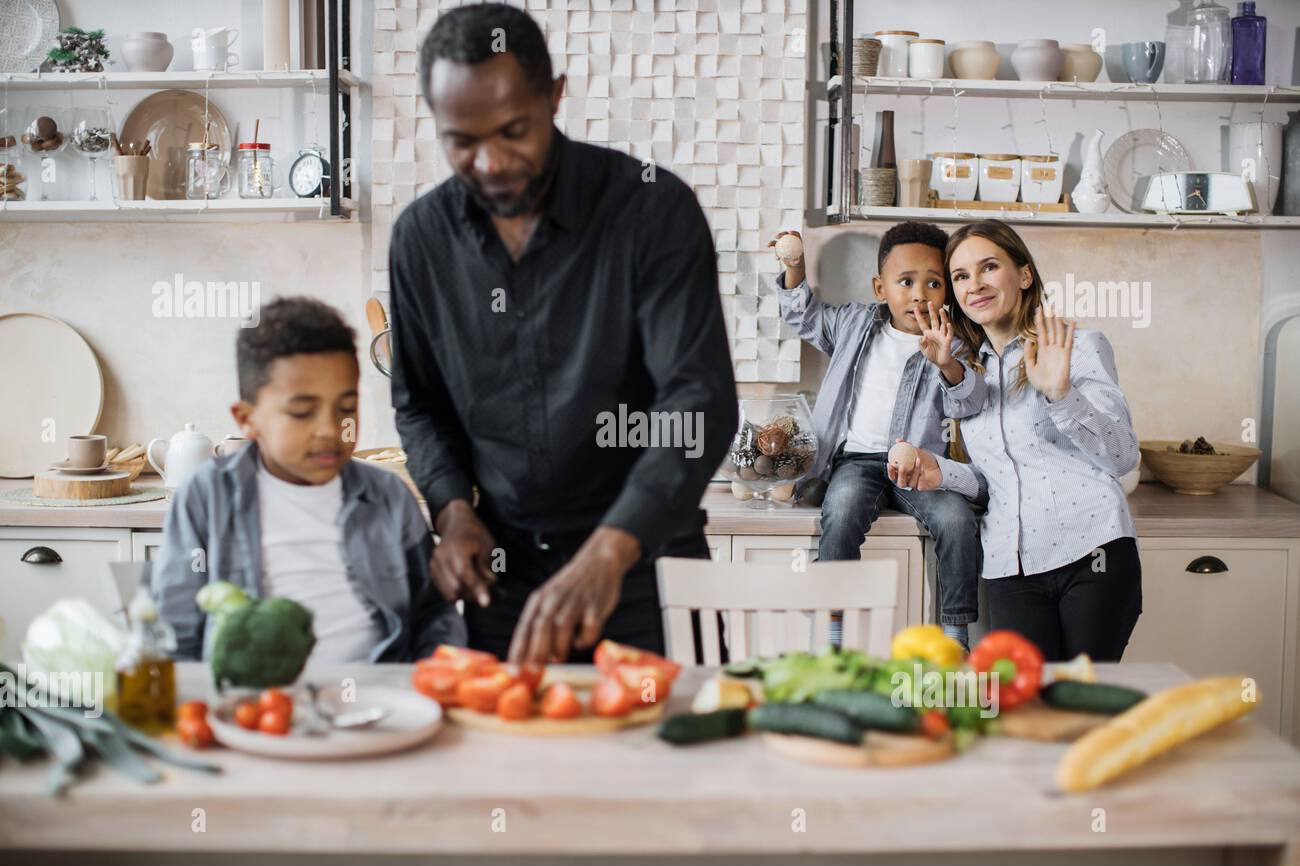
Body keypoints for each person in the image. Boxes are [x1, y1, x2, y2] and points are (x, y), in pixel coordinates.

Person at [389, 3, 736, 664]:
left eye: (513, 130)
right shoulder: (420, 241)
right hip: (505, 583)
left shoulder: (651, 211)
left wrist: (610, 550)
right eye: (461, 140)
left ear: (554, 97)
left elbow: (696, 404)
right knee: (515, 762)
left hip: (647, 570)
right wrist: (452, 510)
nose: (490, 161)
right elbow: (421, 405)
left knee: (672, 760)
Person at [153, 297, 463, 662]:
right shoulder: (206, 497)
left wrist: (432, 680)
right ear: (246, 418)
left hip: (378, 700)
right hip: (254, 706)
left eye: (346, 409)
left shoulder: (389, 498)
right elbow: (175, 634)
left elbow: (433, 617)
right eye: (302, 412)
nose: (330, 430)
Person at [894, 220, 1142, 661]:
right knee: (1024, 713)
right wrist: (941, 471)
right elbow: (997, 481)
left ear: (1024, 275)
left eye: (989, 267)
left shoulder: (1076, 346)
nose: (976, 285)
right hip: (1011, 565)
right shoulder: (968, 372)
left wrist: (1061, 394)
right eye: (961, 276)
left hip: (1092, 552)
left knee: (1080, 707)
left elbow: (1122, 457)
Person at [774, 222, 981, 646]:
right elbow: (804, 316)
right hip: (857, 463)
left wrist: (947, 364)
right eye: (906, 282)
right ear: (880, 287)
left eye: (934, 283)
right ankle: (834, 629)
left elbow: (969, 405)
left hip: (922, 468)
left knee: (957, 520)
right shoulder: (853, 324)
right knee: (844, 510)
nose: (920, 294)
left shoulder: (954, 344)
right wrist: (794, 266)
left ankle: (956, 630)